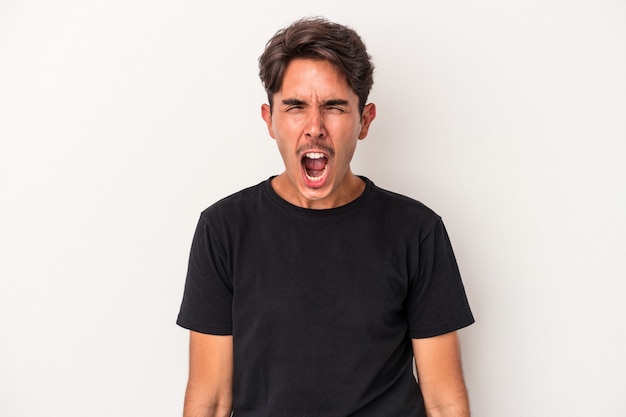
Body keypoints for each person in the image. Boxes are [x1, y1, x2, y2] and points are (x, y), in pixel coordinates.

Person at [177, 17, 474, 417]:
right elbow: (210, 400)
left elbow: (444, 402)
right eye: (295, 107)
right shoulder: (224, 229)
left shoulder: (417, 231)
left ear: (364, 120)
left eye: (334, 107)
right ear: (269, 120)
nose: (314, 127)